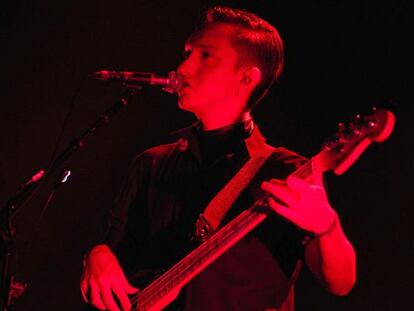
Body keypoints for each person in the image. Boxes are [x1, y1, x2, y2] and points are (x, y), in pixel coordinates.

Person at [80, 6, 356, 311]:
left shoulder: (286, 171)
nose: (183, 68)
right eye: (187, 53)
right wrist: (97, 255)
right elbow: (116, 251)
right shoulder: (151, 164)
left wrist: (328, 226)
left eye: (205, 56)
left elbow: (341, 282)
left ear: (246, 79)